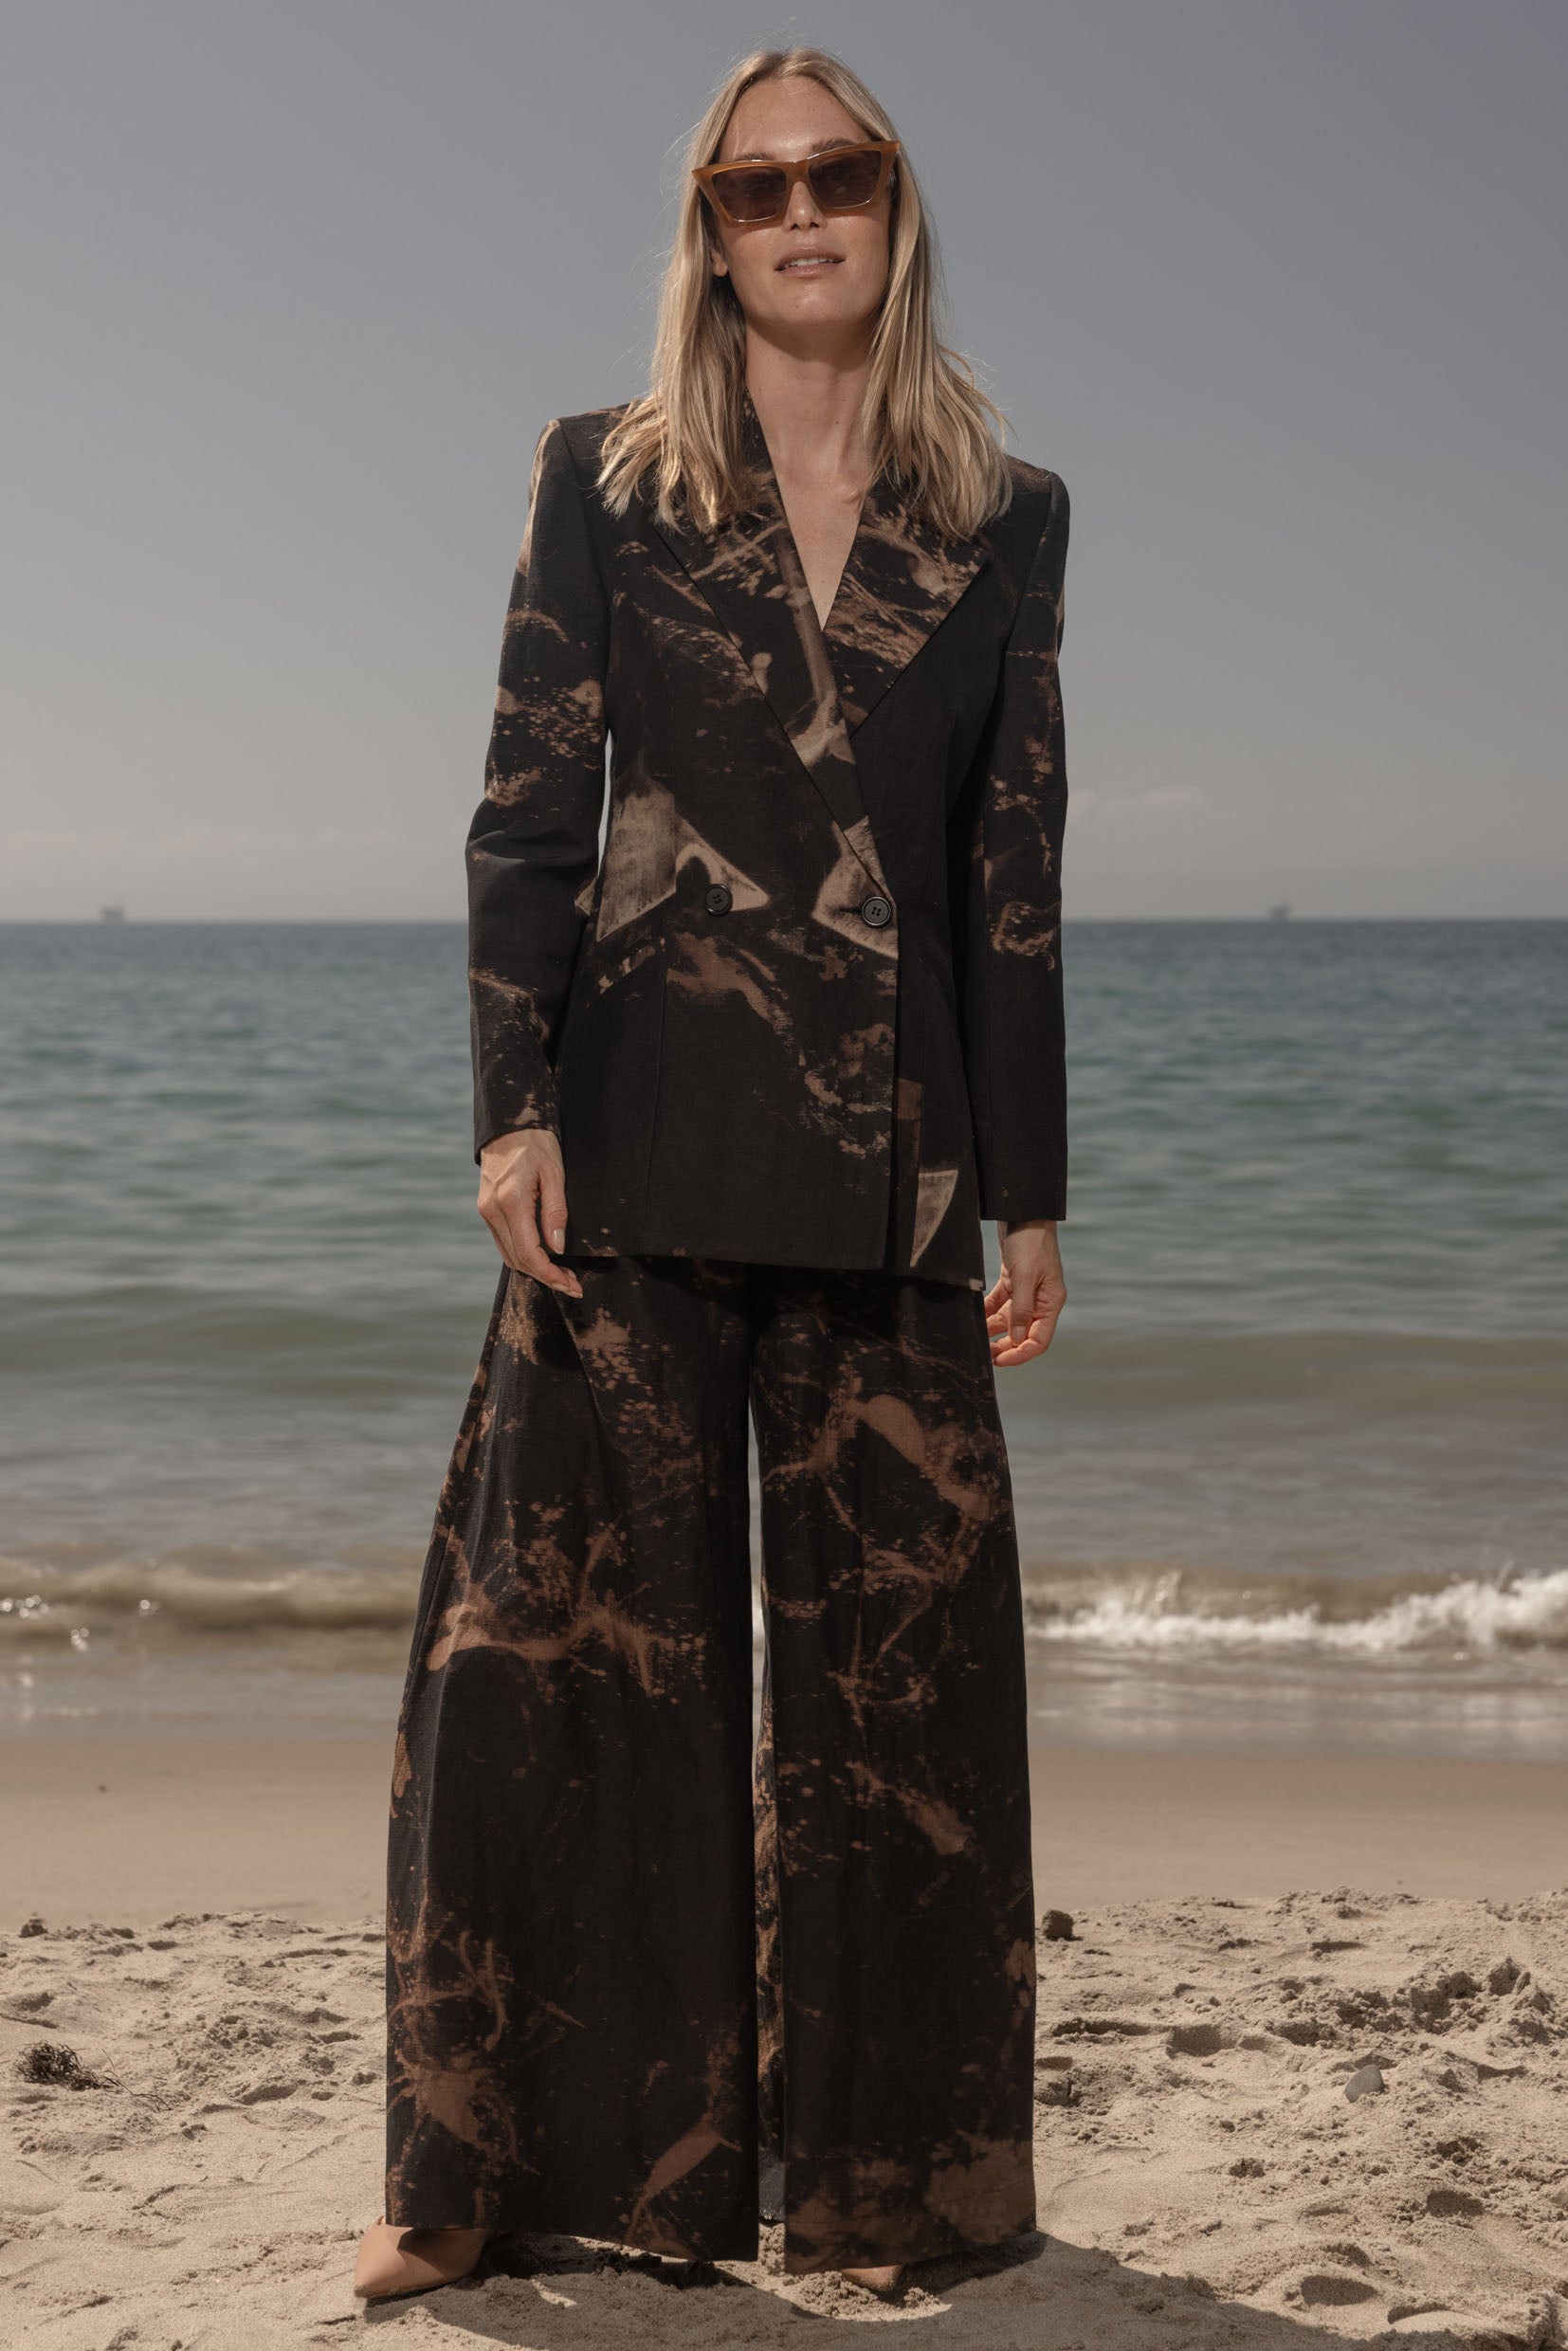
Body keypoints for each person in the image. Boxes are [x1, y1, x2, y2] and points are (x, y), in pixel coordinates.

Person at [355, 40, 1070, 2305]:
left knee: (903, 1690)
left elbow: (1005, 873)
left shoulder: (1004, 515)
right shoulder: (606, 476)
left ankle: (893, 2192)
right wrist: (508, 1103)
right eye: (753, 184)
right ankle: (491, 2176)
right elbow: (525, 810)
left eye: (835, 172)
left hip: (892, 1165)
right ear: (707, 226)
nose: (798, 211)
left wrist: (1030, 1187)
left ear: (894, 205)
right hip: (630, 1144)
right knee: (553, 1659)